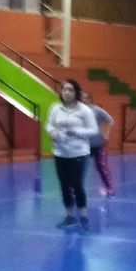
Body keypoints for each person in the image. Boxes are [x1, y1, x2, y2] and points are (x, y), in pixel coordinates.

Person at [46, 79, 98, 230]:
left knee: (77, 185)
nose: (67, 92)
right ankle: (69, 216)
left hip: (79, 153)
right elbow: (49, 124)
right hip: (60, 153)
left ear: (76, 92)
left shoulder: (84, 110)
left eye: (70, 90)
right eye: (64, 90)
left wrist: (77, 132)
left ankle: (83, 217)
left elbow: (94, 130)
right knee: (64, 185)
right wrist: (52, 131)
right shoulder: (56, 108)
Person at [81, 91, 115, 197]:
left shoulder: (97, 110)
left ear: (89, 99)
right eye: (81, 98)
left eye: (85, 98)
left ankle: (110, 189)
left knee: (102, 167)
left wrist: (106, 134)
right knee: (80, 168)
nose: (82, 100)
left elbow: (110, 120)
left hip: (99, 144)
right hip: (84, 146)